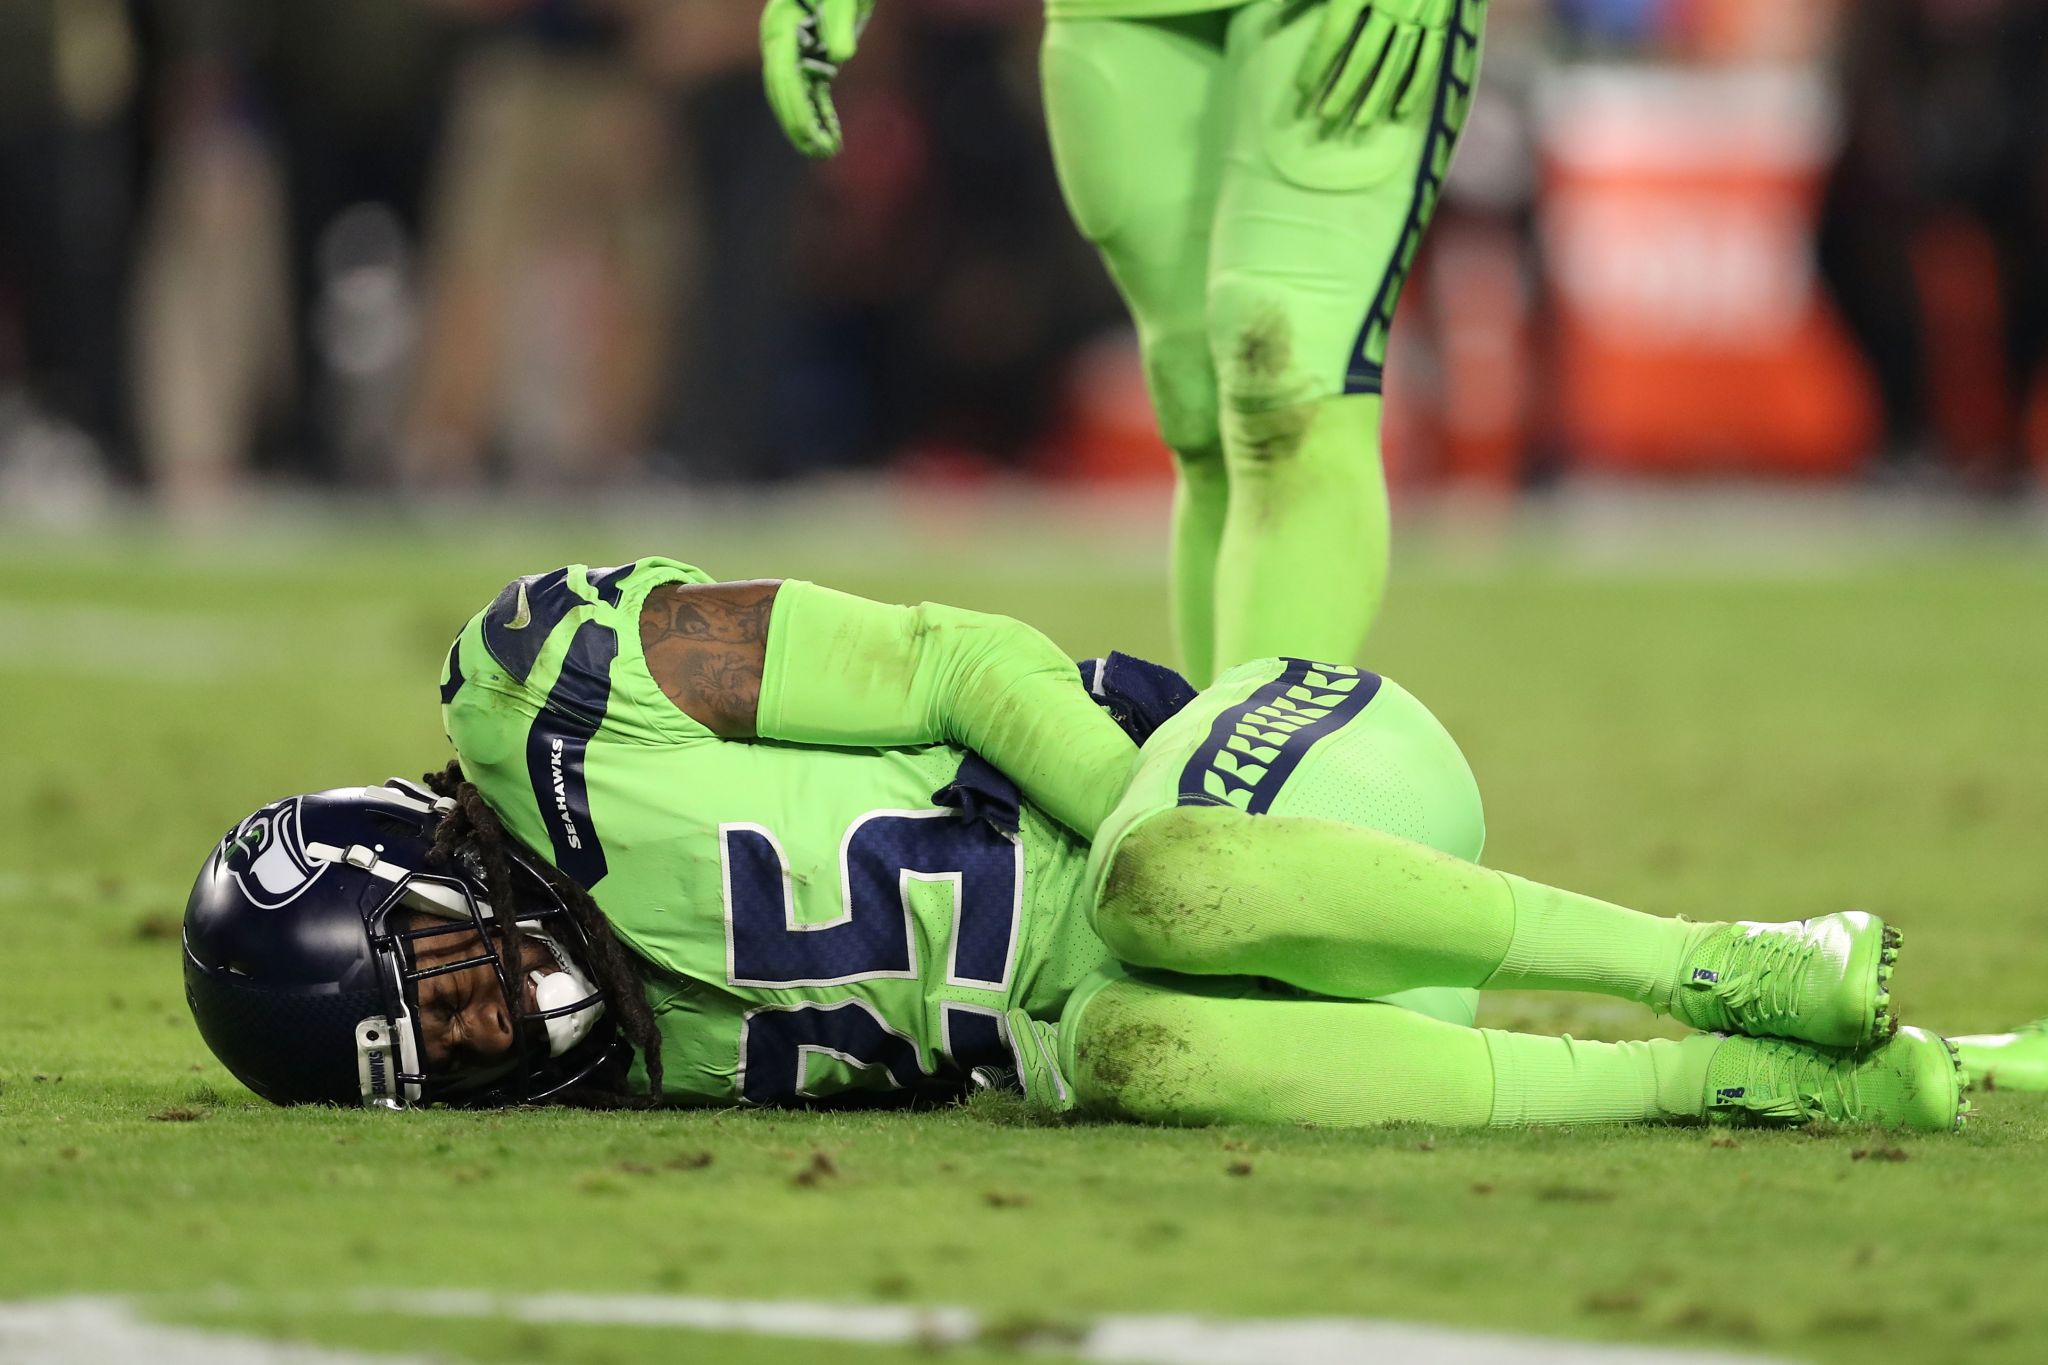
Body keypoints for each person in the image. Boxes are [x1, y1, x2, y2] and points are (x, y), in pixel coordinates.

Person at [184, 559, 1964, 1130]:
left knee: (1151, 891)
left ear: (408, 853)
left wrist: (1151, 825)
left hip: (1270, 781)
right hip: (1238, 985)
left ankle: (1717, 959)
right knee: (1120, 1048)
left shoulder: (550, 693)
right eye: (454, 1053)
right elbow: (997, 1051)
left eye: (449, 976)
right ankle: (1726, 1083)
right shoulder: (650, 1064)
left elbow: (959, 660)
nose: (504, 1021)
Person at [759, 0, 1488, 685]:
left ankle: (1261, 794)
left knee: (1285, 387)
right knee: (1197, 406)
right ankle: (1207, 773)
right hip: (1120, 16)